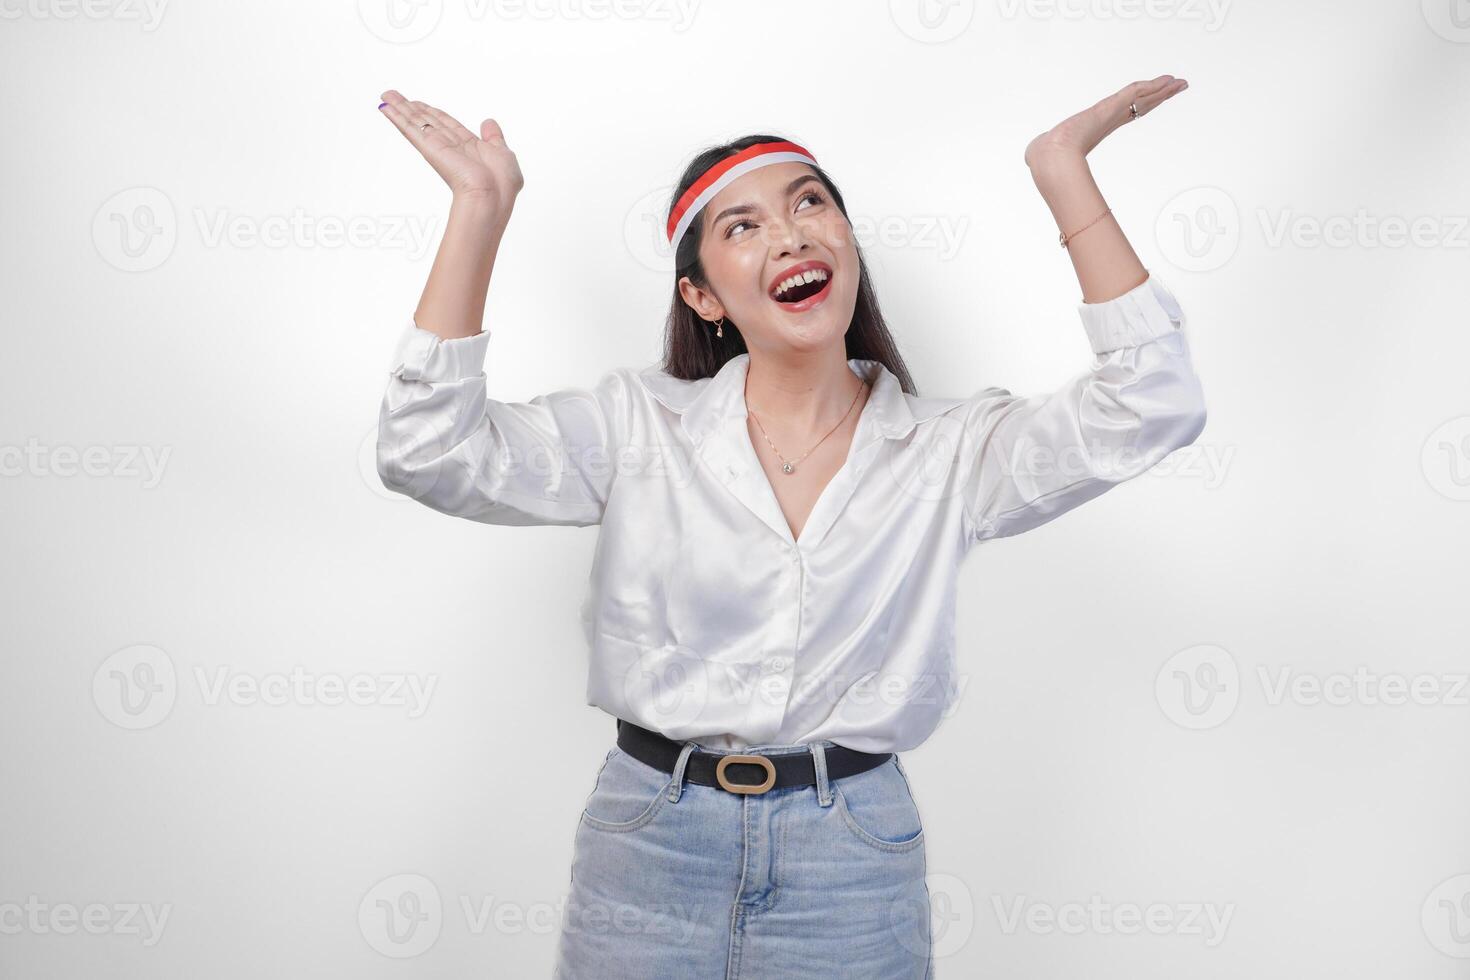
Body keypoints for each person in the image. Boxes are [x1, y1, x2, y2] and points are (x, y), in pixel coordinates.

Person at [373, 75, 1204, 978]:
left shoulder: (952, 453)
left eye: (810, 203)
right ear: (703, 298)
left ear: (847, 245)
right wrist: (480, 210)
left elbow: (1152, 402)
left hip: (851, 857)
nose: (791, 232)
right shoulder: (634, 426)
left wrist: (1061, 173)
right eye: (744, 226)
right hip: (650, 845)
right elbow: (427, 451)